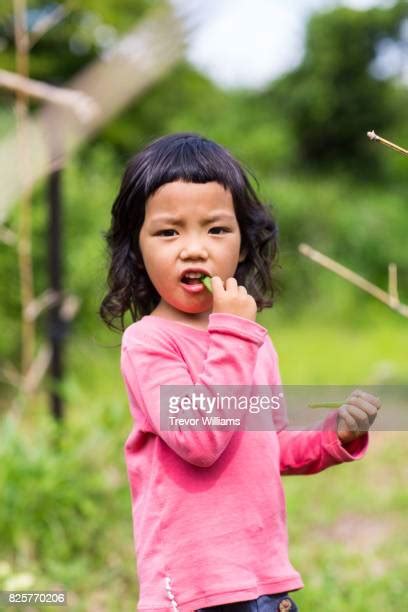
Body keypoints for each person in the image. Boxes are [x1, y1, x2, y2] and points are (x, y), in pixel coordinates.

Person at [99, 133, 381, 612]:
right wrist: (232, 334)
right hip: (193, 593)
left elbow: (267, 444)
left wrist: (337, 434)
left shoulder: (252, 342)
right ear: (137, 249)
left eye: (216, 230)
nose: (194, 249)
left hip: (264, 580)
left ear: (245, 246)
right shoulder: (150, 343)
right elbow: (201, 440)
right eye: (169, 232)